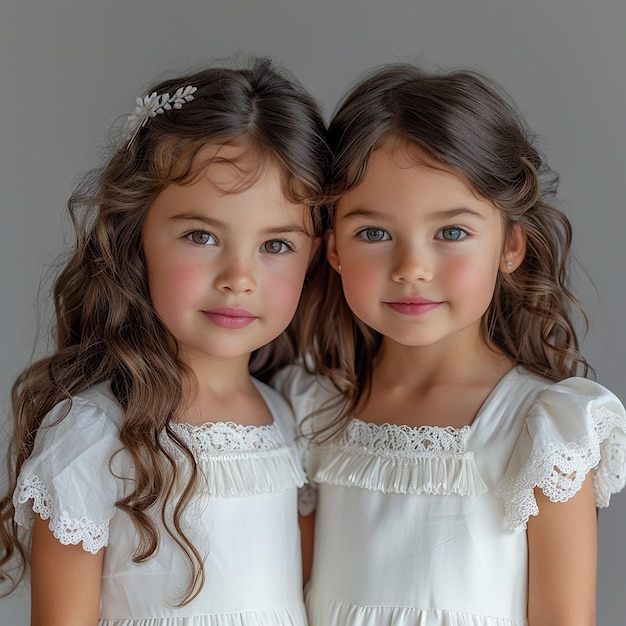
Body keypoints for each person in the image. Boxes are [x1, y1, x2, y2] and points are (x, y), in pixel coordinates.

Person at [274, 64, 626, 625]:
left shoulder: (545, 428)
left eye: (452, 232)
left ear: (510, 246)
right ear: (334, 248)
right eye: (374, 233)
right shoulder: (313, 410)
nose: (412, 268)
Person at [0, 57, 329, 625]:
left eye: (275, 245)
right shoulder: (92, 432)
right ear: (135, 238)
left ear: (314, 257)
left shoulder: (294, 416)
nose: (239, 277)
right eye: (201, 236)